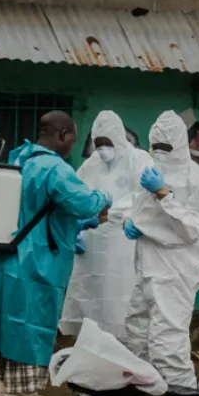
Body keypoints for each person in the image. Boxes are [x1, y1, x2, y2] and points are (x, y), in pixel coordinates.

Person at [0, 111, 112, 396]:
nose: (72, 147)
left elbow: (36, 211)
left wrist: (75, 226)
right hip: (34, 263)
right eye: (72, 140)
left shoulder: (19, 159)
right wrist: (105, 197)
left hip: (8, 255)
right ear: (62, 135)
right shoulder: (54, 168)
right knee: (28, 328)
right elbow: (84, 202)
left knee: (9, 330)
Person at [122, 110, 199, 390]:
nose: (159, 153)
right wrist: (131, 221)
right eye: (156, 148)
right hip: (147, 267)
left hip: (176, 271)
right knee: (137, 333)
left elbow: (192, 228)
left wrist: (163, 194)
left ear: (179, 145)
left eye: (165, 147)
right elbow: (140, 212)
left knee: (167, 341)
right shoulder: (153, 174)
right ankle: (144, 395)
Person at [60, 111, 153, 341]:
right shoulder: (92, 164)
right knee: (91, 292)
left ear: (119, 139)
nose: (102, 149)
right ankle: (92, 342)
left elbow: (144, 196)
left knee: (121, 295)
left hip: (123, 241)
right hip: (93, 242)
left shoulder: (138, 160)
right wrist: (77, 225)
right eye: (98, 144)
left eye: (107, 143)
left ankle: (123, 344)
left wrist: (113, 211)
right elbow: (78, 194)